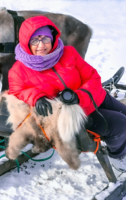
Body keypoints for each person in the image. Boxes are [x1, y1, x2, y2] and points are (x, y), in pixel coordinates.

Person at [8, 15, 126, 172]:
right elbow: (16, 92)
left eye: (45, 38)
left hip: (95, 97)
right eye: (35, 40)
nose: (41, 45)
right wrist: (36, 97)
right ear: (26, 42)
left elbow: (92, 76)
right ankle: (118, 157)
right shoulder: (18, 70)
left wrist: (79, 95)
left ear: (53, 38)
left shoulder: (68, 53)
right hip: (74, 115)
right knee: (121, 124)